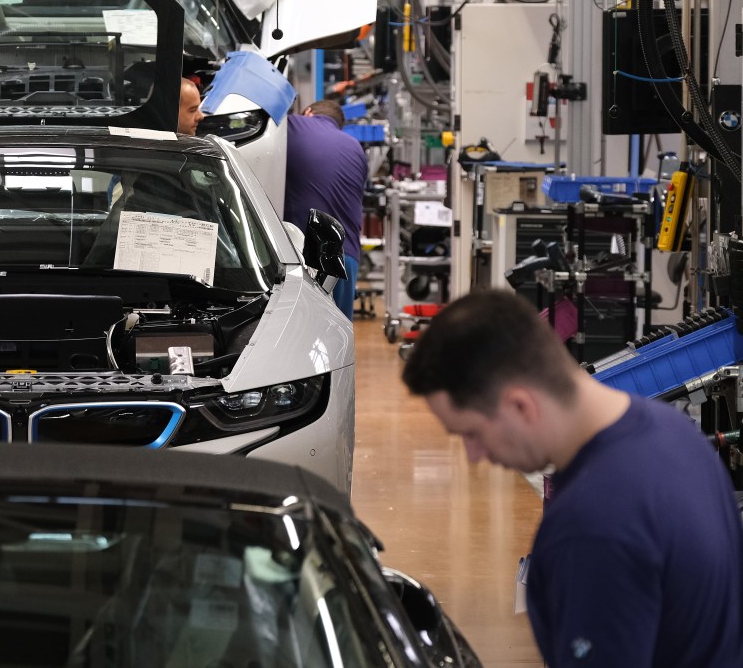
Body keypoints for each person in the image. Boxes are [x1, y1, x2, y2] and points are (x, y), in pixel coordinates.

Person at [401, 290, 743, 668]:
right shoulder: (675, 435)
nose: (473, 455)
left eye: (471, 433)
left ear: (520, 405)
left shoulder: (592, 522)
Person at [284, 100, 366, 318]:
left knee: (300, 336)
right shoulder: (355, 147)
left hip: (308, 252)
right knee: (338, 339)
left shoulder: (294, 125)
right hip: (347, 257)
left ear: (308, 112)